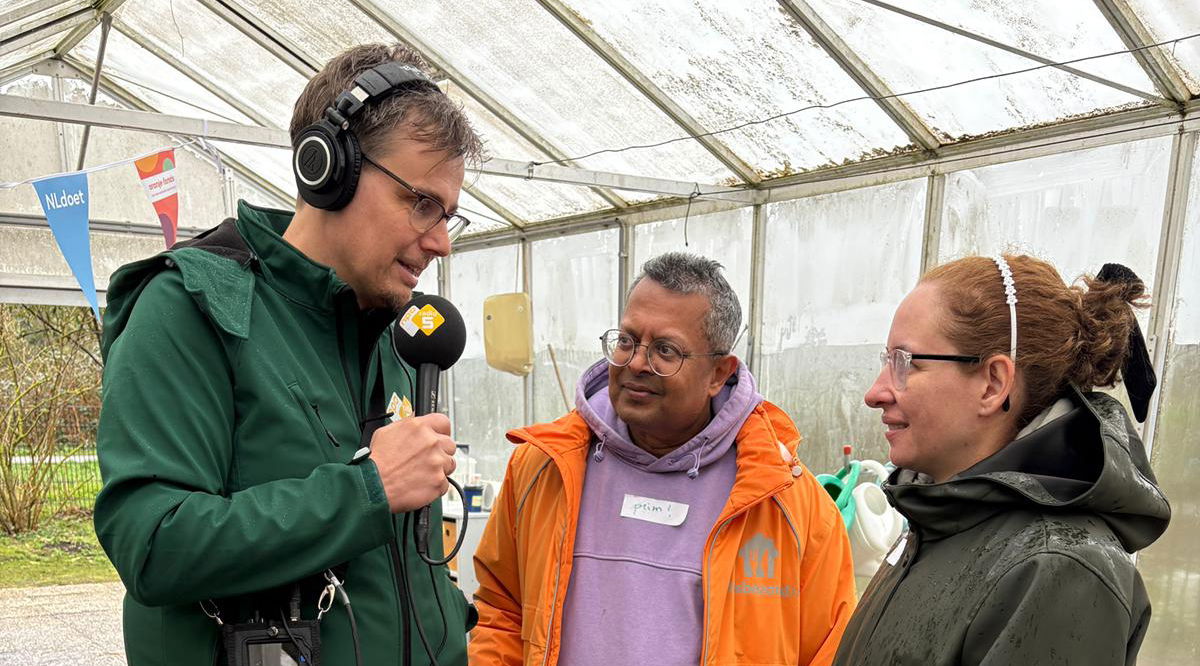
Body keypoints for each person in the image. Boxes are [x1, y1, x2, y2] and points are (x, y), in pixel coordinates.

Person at [93, 43, 483, 666]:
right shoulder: (192, 308)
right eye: (422, 203)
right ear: (327, 170)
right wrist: (366, 491)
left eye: (449, 216)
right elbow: (152, 544)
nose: (440, 242)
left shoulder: (394, 338)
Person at [471, 252, 856, 665]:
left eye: (666, 351)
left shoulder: (787, 504)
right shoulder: (542, 469)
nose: (637, 363)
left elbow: (831, 649)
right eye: (626, 341)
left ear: (718, 374)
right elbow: (500, 610)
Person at [833, 254, 1171, 665]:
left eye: (907, 363)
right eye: (886, 362)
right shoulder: (939, 518)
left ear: (993, 384)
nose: (875, 392)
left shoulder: (1055, 569)